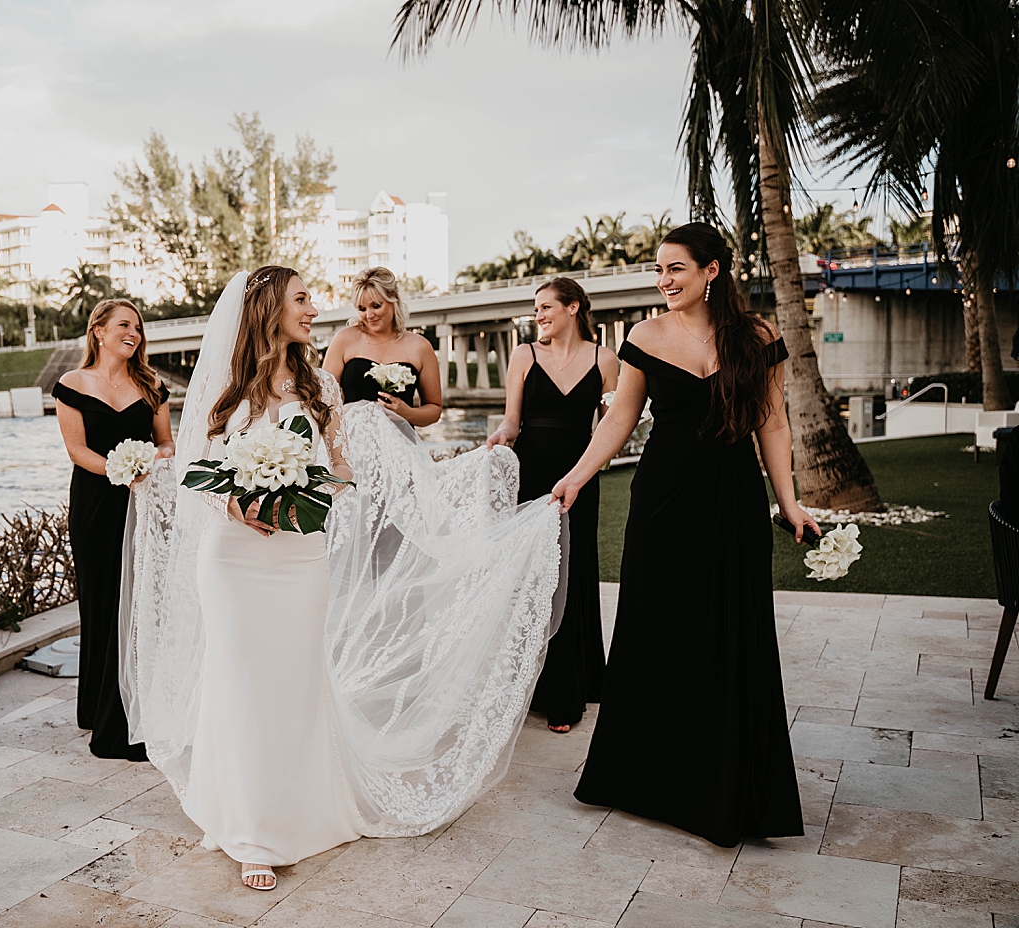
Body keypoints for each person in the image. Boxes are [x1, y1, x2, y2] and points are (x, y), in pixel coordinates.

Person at [120, 267, 570, 891]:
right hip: (232, 556)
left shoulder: (322, 387)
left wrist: (303, 489)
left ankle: (298, 807)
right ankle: (247, 823)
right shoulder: (226, 387)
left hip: (299, 555)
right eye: (301, 299)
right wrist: (238, 500)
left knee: (295, 678)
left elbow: (340, 469)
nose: (313, 309)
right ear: (269, 308)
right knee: (239, 678)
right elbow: (195, 467)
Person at [551, 222, 813, 848]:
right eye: (659, 270)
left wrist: (789, 502)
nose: (664, 281)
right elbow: (619, 418)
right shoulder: (644, 335)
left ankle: (725, 784)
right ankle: (649, 779)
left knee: (731, 631)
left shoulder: (759, 338)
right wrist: (578, 477)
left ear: (711, 271)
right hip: (663, 500)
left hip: (733, 501)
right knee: (658, 630)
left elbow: (772, 424)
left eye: (676, 269)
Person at [488, 277, 614, 733]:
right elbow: (511, 421)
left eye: (545, 307)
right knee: (532, 578)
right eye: (535, 308)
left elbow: (610, 428)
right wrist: (502, 437)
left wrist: (585, 471)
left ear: (574, 307)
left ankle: (570, 691)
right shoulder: (524, 355)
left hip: (579, 478)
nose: (538, 314)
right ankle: (530, 684)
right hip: (532, 477)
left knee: (573, 573)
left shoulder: (606, 360)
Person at [52, 299, 173, 762]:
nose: (134, 333)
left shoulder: (150, 384)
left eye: (138, 327)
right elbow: (77, 451)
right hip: (96, 506)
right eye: (124, 325)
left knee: (139, 606)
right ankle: (101, 715)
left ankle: (133, 709)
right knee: (102, 604)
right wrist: (120, 469)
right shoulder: (72, 385)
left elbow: (165, 441)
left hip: (143, 504)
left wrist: (155, 460)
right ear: (98, 331)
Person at [322, 266, 443, 427]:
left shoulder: (420, 347)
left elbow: (434, 409)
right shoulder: (344, 340)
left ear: (393, 299)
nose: (369, 315)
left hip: (401, 445)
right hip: (353, 443)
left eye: (376, 306)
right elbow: (322, 400)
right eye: (362, 309)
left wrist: (407, 413)